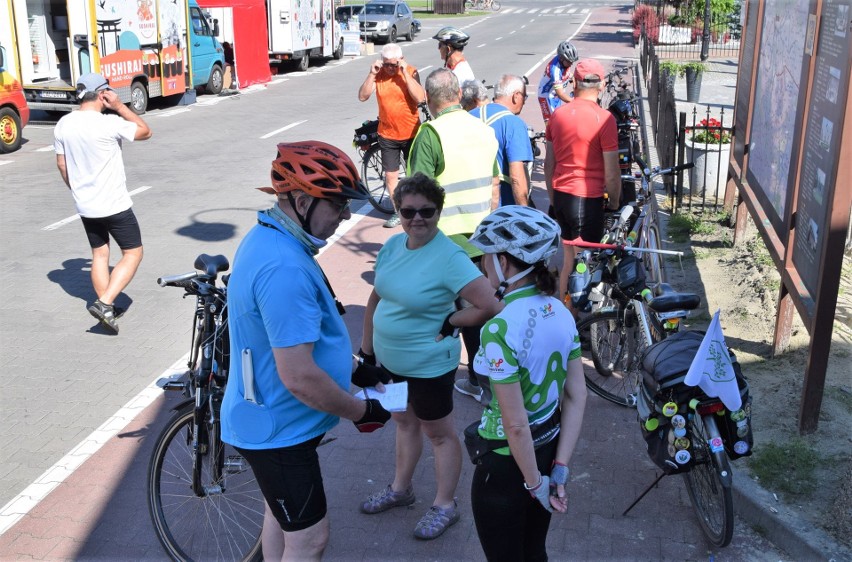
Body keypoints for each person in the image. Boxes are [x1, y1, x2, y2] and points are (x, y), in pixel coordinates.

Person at [220, 141, 393, 561]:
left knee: (281, 523)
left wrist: (354, 371)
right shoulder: (284, 267)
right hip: (279, 430)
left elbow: (294, 339)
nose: (347, 215)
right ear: (300, 200)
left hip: (275, 421)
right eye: (337, 204)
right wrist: (360, 410)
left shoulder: (273, 239)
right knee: (310, 540)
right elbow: (297, 374)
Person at [359, 172, 502, 540]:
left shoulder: (450, 257)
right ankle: (400, 490)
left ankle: (444, 505)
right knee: (404, 424)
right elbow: (376, 297)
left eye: (427, 210)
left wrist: (453, 318)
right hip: (390, 362)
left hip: (429, 366)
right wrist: (366, 350)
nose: (417, 219)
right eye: (408, 212)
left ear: (439, 212)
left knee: (438, 434)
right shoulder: (392, 246)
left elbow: (489, 305)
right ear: (398, 211)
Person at [467, 205, 587, 561]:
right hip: (549, 451)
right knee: (535, 552)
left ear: (503, 262)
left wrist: (534, 485)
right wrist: (559, 468)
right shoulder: (562, 312)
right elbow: (577, 396)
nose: (482, 266)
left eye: (485, 258)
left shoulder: (499, 328)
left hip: (506, 464)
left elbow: (515, 424)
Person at [408, 68, 499, 403]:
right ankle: (483, 381)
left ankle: (433, 388)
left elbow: (416, 197)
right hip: (481, 239)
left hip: (443, 243)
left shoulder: (431, 133)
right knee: (479, 313)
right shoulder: (483, 129)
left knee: (434, 316)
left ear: (429, 101)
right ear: (459, 95)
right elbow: (493, 185)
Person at [54, 72, 152, 334]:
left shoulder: (63, 124)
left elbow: (62, 165)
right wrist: (120, 107)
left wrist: (77, 191)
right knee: (133, 252)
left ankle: (105, 309)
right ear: (102, 94)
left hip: (85, 205)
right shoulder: (108, 123)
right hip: (114, 204)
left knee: (100, 253)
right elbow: (145, 132)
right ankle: (106, 302)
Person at [544, 59, 620, 303]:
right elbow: (611, 171)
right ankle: (574, 324)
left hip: (563, 196)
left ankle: (567, 317)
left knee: (569, 260)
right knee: (582, 265)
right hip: (586, 198)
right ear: (602, 85)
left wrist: (554, 200)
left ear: (574, 83)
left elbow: (549, 165)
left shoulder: (558, 115)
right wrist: (615, 201)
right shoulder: (604, 119)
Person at [358, 43, 426, 228]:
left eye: (393, 65)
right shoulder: (378, 75)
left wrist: (404, 73)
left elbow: (421, 98)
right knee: (390, 177)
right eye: (387, 64)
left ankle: (419, 209)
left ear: (401, 60)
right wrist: (372, 74)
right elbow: (362, 96)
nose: (390, 68)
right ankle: (400, 213)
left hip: (411, 132)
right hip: (387, 134)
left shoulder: (410, 72)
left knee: (415, 175)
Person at [469, 74, 534, 207]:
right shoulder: (514, 123)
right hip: (501, 205)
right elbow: (516, 176)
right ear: (516, 96)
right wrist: (524, 211)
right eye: (524, 96)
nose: (524, 101)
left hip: (472, 203)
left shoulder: (470, 116)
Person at [537, 41, 579, 124]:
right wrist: (575, 102)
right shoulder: (555, 70)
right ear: (561, 58)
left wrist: (574, 83)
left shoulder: (565, 63)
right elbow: (560, 94)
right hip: (546, 96)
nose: (571, 64)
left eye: (572, 62)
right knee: (552, 123)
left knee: (559, 120)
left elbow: (569, 75)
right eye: (569, 61)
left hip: (556, 95)